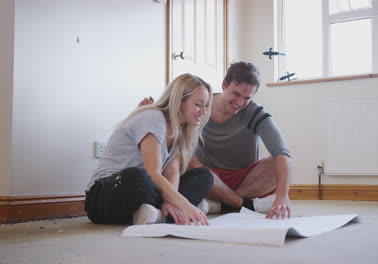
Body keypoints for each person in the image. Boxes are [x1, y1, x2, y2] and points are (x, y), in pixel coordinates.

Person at [140, 62, 292, 219]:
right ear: (224, 84)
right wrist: (156, 112)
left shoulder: (256, 113)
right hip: (203, 175)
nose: (240, 103)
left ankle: (222, 203)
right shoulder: (201, 105)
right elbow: (172, 129)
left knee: (277, 164)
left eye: (247, 98)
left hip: (243, 180)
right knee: (181, 158)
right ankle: (240, 204)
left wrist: (283, 196)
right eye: (237, 94)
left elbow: (283, 154)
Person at [85, 73, 214, 226]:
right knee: (138, 176)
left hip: (142, 192)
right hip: (104, 196)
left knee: (204, 176)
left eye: (205, 105)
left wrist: (171, 201)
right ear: (179, 101)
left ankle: (159, 213)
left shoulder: (181, 133)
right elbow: (153, 172)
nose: (204, 112)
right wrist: (185, 203)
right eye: (199, 104)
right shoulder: (154, 118)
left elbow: (172, 172)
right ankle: (172, 212)